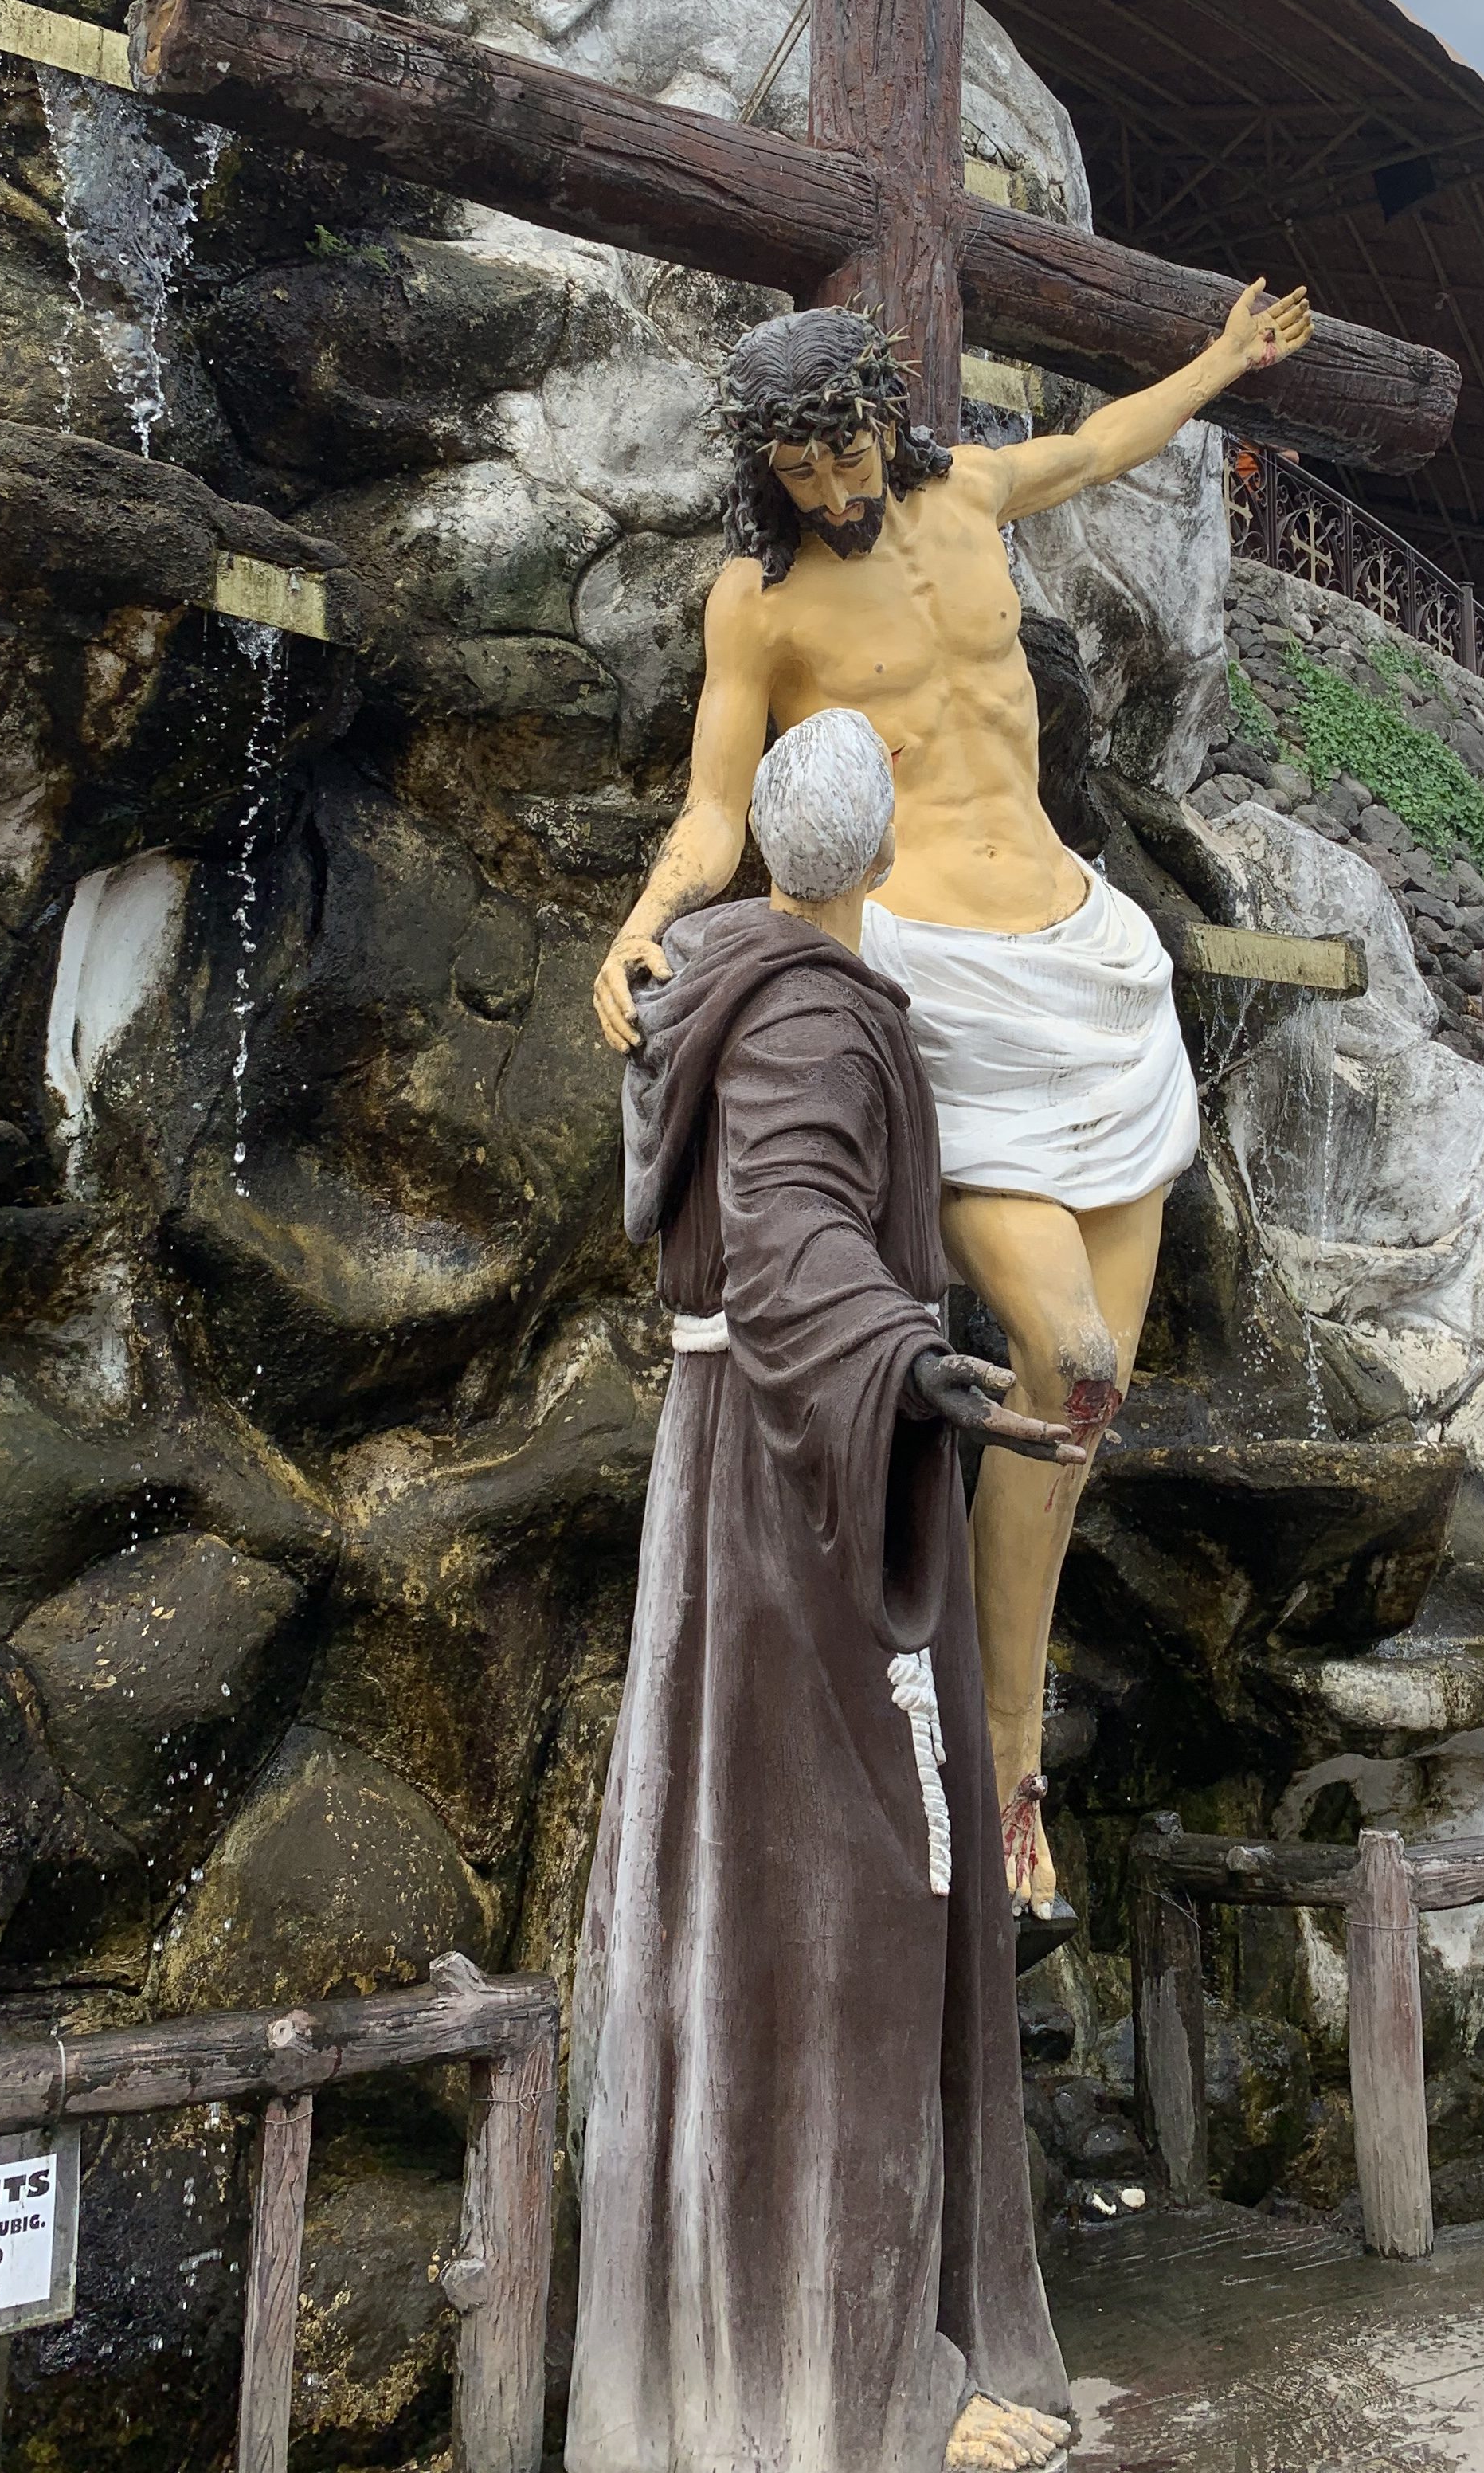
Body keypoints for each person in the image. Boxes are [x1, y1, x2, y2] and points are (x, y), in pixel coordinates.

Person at [593, 282, 1312, 1911]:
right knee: (1065, 1356)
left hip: (1092, 963)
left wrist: (1213, 357)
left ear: (885, 413)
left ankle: (1004, 1766)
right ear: (759, 467)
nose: (835, 492)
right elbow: (720, 815)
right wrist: (645, 922)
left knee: (1079, 1419)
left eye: (846, 448)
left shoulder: (971, 494)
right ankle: (977, 1766)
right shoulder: (753, 609)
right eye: (798, 468)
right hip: (948, 991)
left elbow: (1105, 444)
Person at [567, 707, 1079, 2473]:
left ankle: (729, 2374)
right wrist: (907, 1363)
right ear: (879, 847)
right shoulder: (804, 1014)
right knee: (848, 1906)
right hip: (804, 1487)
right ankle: (860, 2397)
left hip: (733, 1459)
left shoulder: (708, 977)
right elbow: (790, 1235)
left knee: (743, 1909)